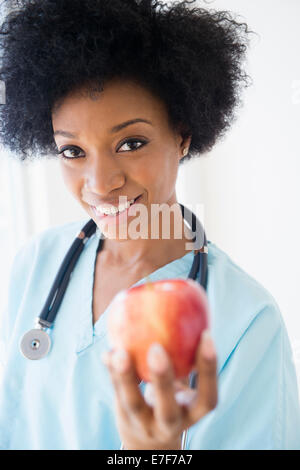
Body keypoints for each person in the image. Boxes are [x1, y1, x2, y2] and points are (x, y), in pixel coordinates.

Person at [0, 0, 299, 450]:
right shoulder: (35, 264)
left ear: (181, 136)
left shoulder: (246, 320)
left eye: (131, 142)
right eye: (72, 151)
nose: (101, 184)